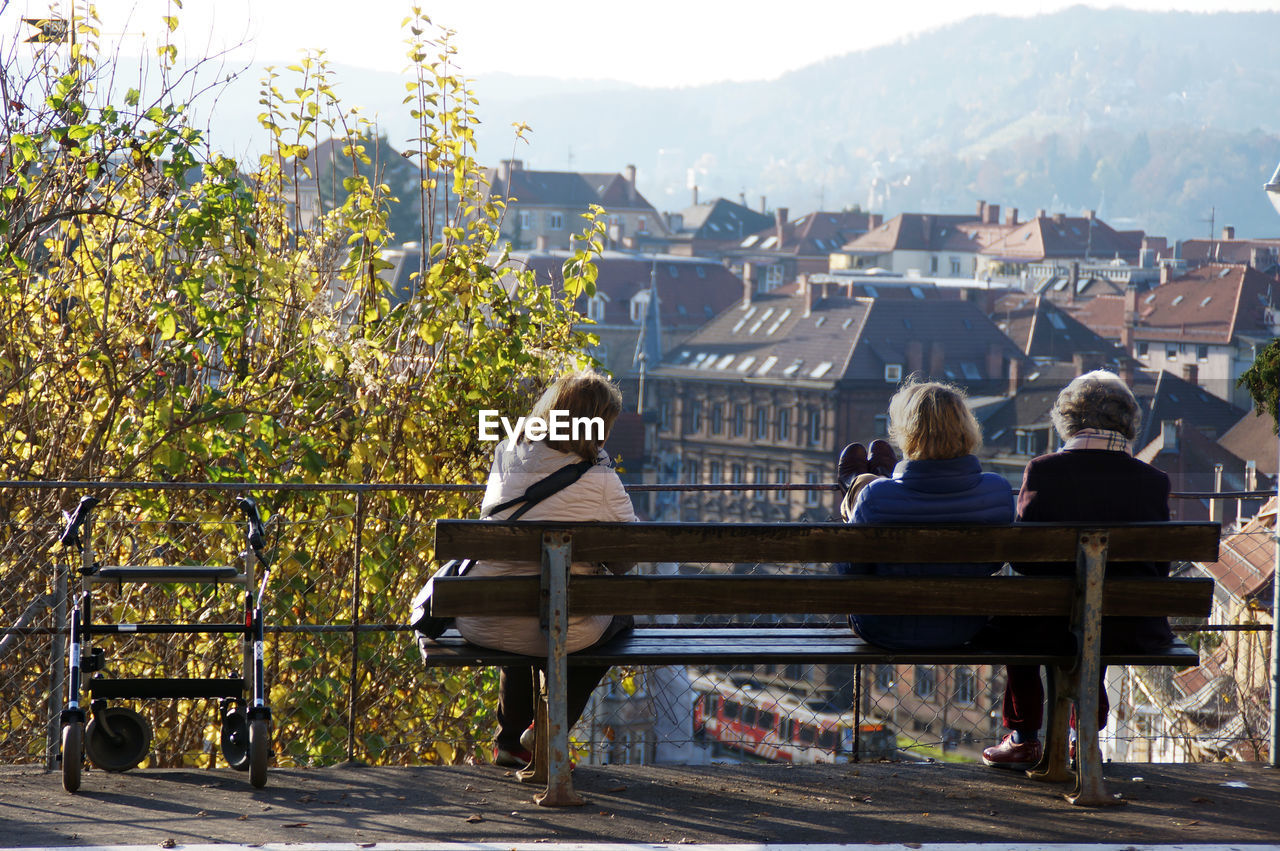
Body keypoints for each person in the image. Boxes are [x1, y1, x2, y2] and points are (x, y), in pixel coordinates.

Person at [981, 369, 1171, 769]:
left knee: (1018, 617)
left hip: (1047, 624)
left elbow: (1023, 558)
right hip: (1132, 626)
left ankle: (1024, 737)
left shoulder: (1043, 471)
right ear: (1128, 420)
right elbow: (1158, 566)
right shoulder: (1153, 481)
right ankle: (1080, 736)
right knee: (1099, 618)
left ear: (1067, 418)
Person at [455, 370, 636, 768]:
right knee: (617, 617)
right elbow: (626, 558)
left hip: (481, 615)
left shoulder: (506, 451)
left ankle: (509, 742)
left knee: (520, 603)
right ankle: (547, 729)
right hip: (558, 627)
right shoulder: (601, 479)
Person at [837, 379, 1015, 650]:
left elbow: (851, 570)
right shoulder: (997, 490)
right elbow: (993, 564)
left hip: (883, 627)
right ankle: (869, 480)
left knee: (868, 495)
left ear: (907, 433)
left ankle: (858, 484)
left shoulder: (876, 498)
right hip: (964, 626)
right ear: (966, 428)